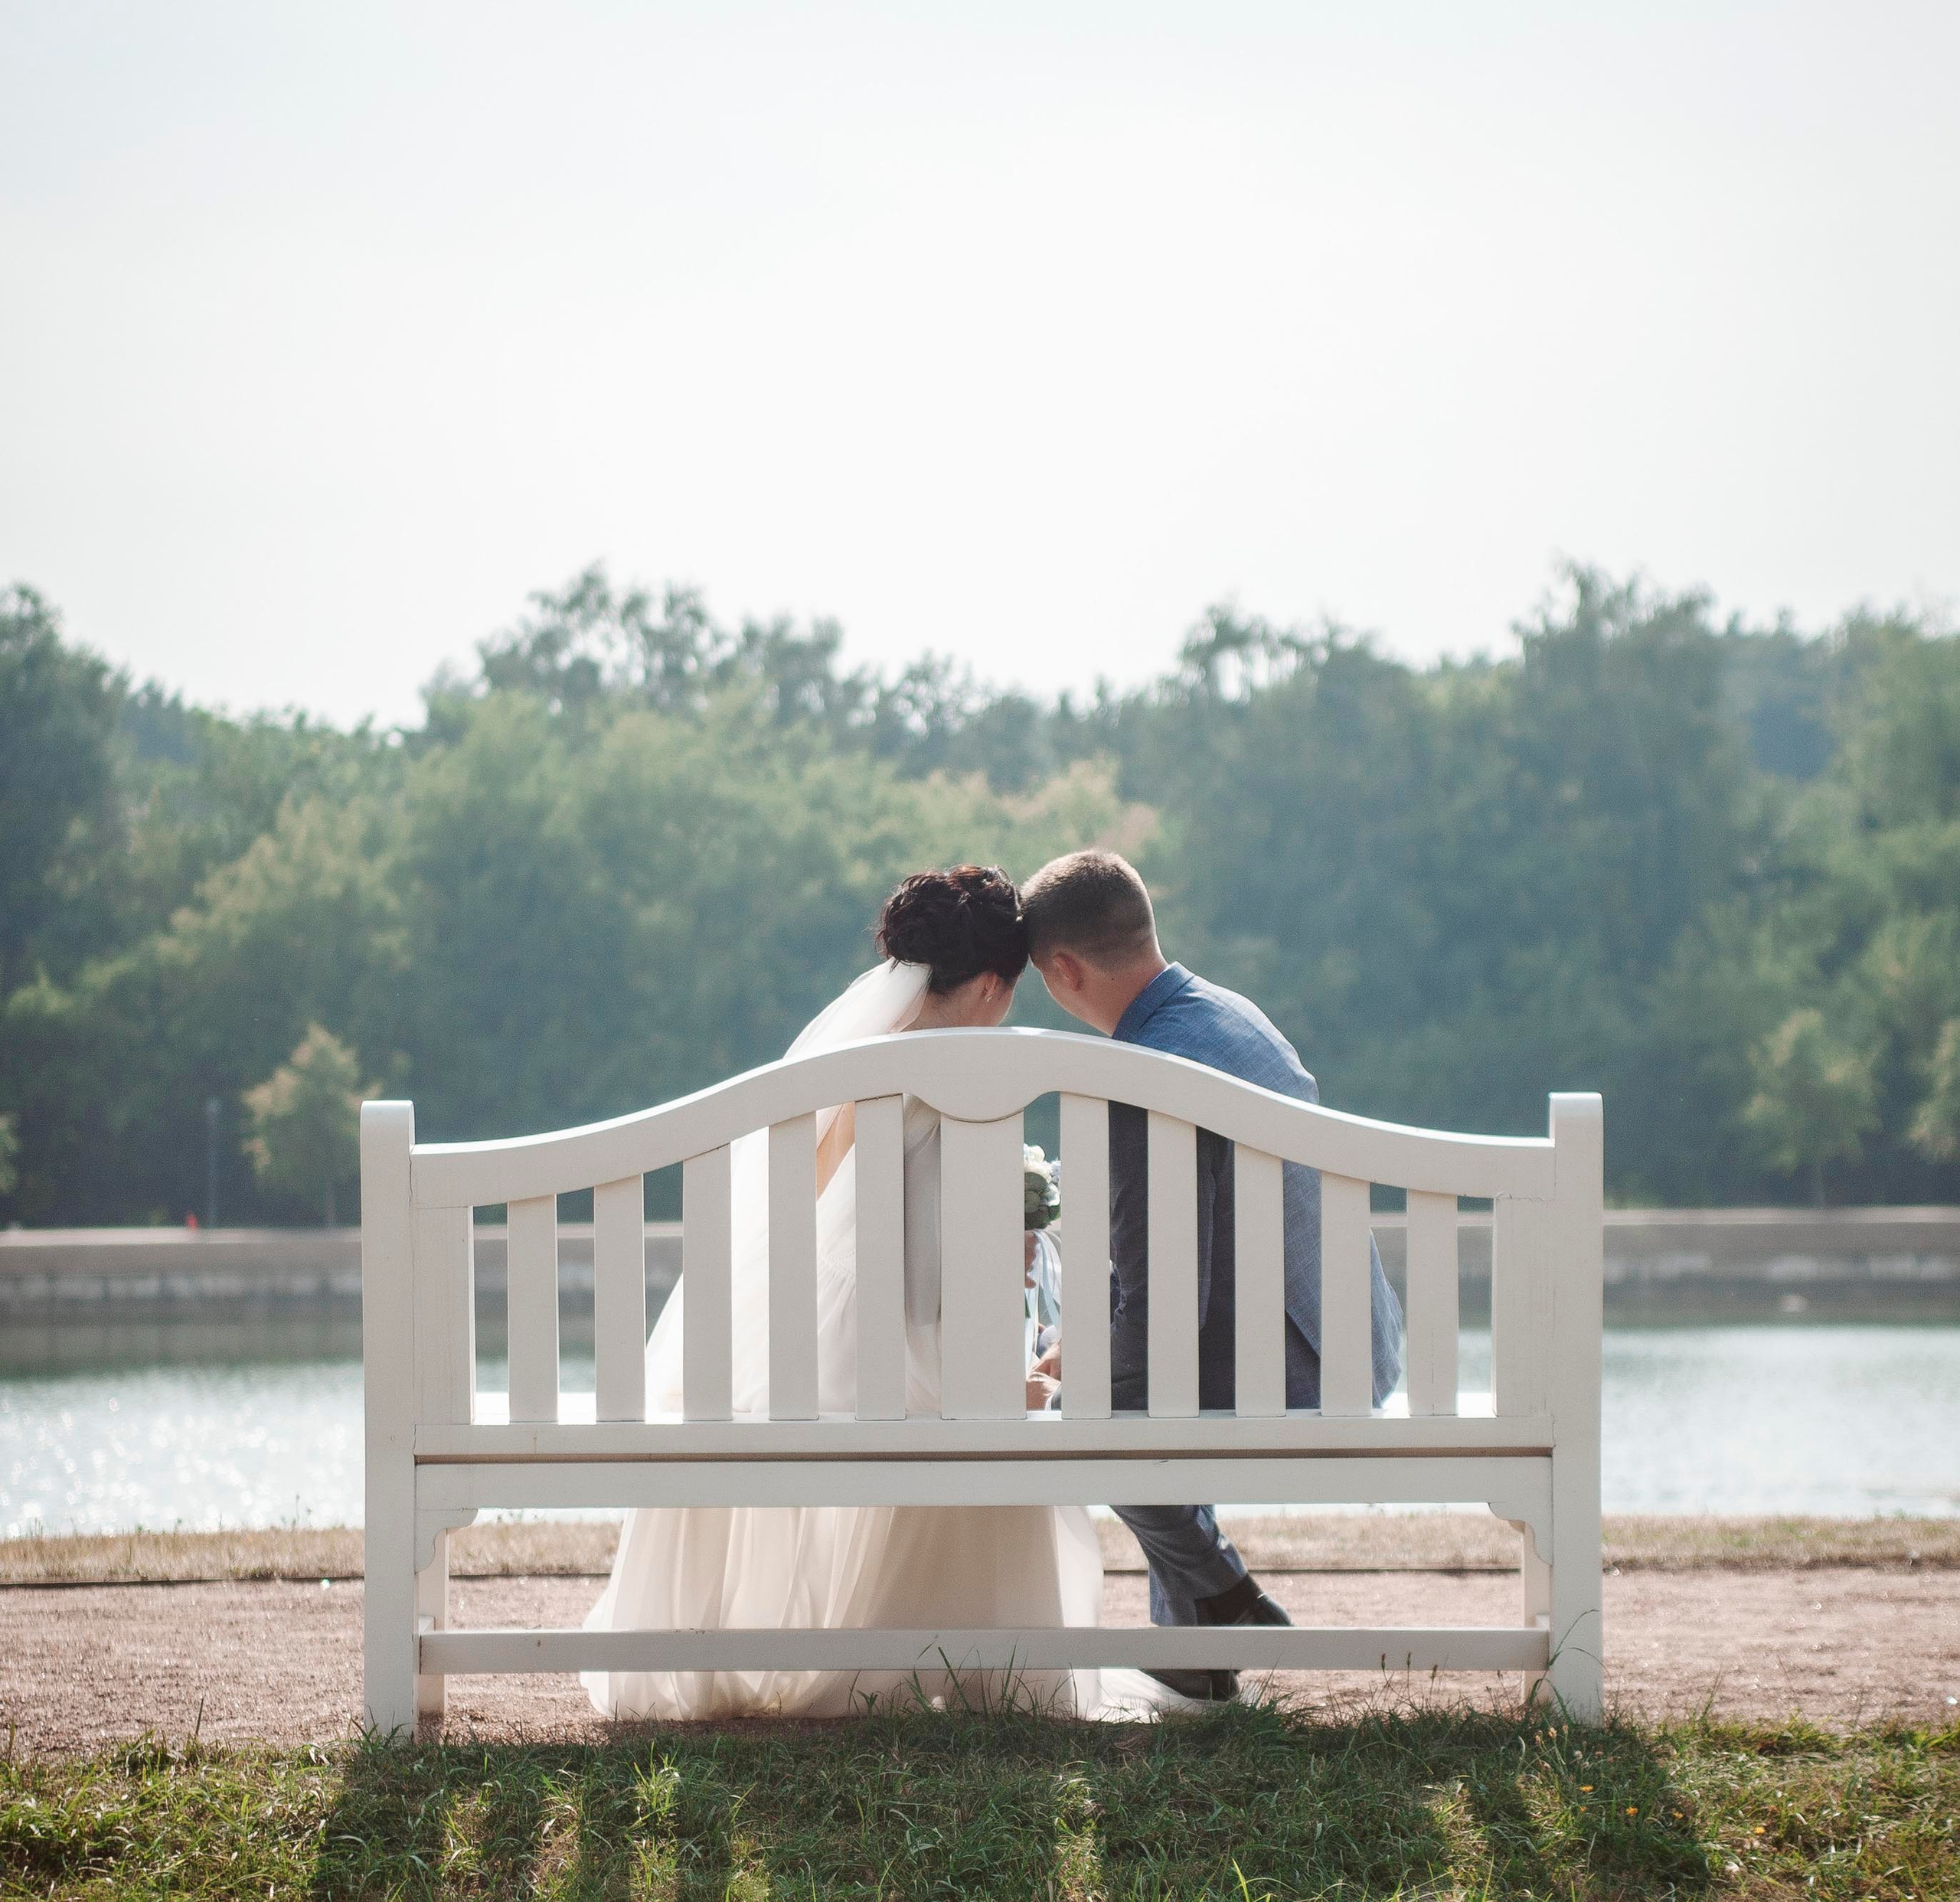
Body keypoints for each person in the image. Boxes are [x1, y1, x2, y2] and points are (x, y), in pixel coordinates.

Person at [582, 865, 1110, 1720]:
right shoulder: (970, 1094)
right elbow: (930, 1312)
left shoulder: (842, 1076)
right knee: (993, 1413)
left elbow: (836, 1249)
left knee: (934, 1392)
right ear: (989, 985)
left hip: (789, 1363)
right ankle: (987, 1670)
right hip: (900, 1379)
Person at [1021, 848, 1406, 1704]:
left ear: (1065, 969)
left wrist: (1075, 1366)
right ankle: (1196, 1644)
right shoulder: (1229, 1015)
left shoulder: (1142, 1079)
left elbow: (1164, 1314)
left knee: (1087, 1408)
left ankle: (1225, 1597)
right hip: (1351, 1339)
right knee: (1118, 1375)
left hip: (1296, 1368)